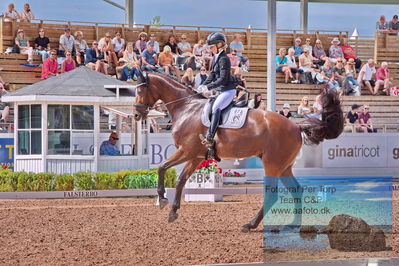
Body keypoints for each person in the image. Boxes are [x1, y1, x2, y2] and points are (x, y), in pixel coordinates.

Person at [198, 32, 237, 159]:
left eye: (211, 46)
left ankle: (210, 137)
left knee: (216, 108)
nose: (209, 49)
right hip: (221, 91)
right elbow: (212, 75)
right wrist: (202, 85)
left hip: (228, 91)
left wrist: (208, 87)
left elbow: (223, 79)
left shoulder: (224, 59)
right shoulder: (216, 58)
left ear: (219, 45)